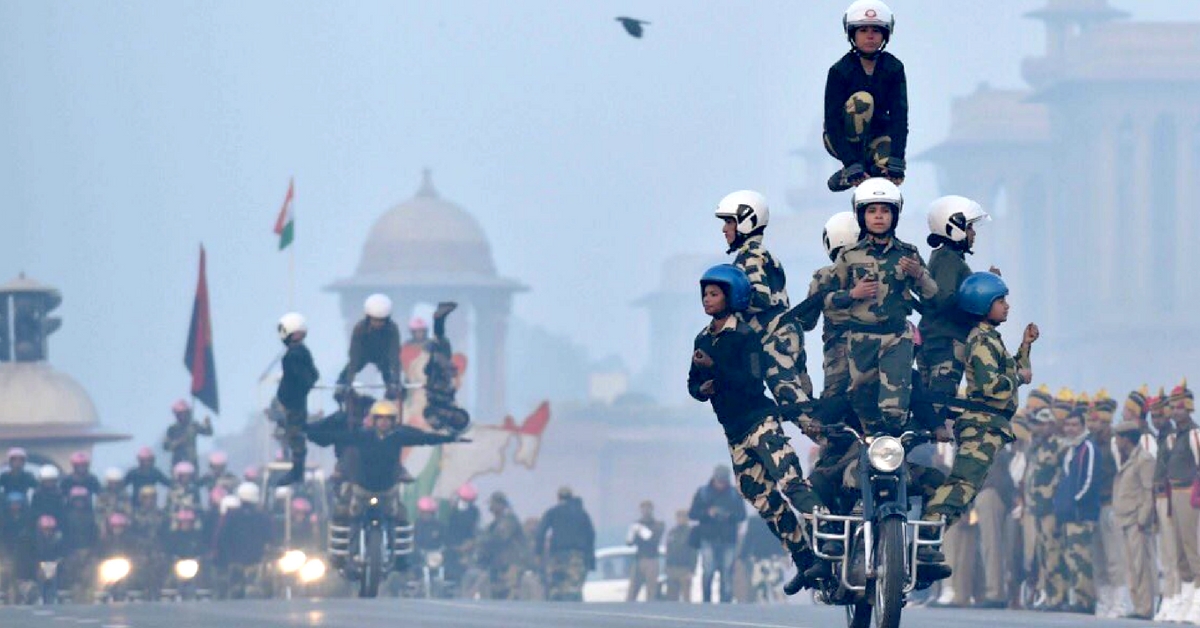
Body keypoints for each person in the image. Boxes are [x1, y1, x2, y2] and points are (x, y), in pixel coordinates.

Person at [687, 264, 819, 598]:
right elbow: (692, 383)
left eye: (714, 294)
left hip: (760, 422)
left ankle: (828, 532)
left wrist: (714, 369)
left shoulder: (746, 336)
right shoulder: (703, 338)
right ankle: (806, 560)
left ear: (731, 297)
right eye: (705, 293)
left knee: (790, 481)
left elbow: (751, 381)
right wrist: (702, 388)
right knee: (762, 499)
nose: (707, 299)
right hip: (734, 432)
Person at [920, 272, 1037, 576]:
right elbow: (992, 386)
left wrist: (1025, 347)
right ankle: (927, 535)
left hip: (990, 427)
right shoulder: (982, 340)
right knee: (961, 485)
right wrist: (1017, 378)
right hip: (982, 426)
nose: (1007, 306)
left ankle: (928, 538)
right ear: (984, 305)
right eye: (1000, 301)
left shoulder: (990, 339)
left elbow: (1014, 371)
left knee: (967, 488)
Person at [827, 178, 936, 435]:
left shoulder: (908, 253)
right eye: (872, 211)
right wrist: (852, 294)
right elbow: (828, 300)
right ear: (861, 215)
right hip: (861, 338)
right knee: (861, 401)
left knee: (894, 409)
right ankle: (875, 447)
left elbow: (932, 294)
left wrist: (919, 274)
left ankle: (896, 447)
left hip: (896, 337)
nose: (879, 217)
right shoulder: (848, 256)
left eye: (885, 211)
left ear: (894, 215)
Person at [714, 191, 815, 420]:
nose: (724, 229)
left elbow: (761, 298)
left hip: (774, 337)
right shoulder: (761, 254)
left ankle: (833, 441)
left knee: (792, 401)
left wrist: (727, 304)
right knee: (807, 399)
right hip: (785, 331)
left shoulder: (749, 256)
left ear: (746, 220)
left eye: (729, 222)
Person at [918, 195, 991, 419]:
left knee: (932, 403)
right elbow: (945, 301)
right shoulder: (950, 260)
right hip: (946, 342)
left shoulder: (944, 258)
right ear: (954, 227)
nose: (973, 233)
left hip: (937, 339)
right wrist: (983, 299)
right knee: (939, 405)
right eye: (969, 227)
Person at [823, 0, 907, 191]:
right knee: (863, 100)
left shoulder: (894, 68)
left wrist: (897, 160)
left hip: (877, 135)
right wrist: (851, 161)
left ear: (885, 35)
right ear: (852, 34)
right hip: (840, 139)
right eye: (863, 31)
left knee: (887, 172)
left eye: (876, 31)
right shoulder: (839, 71)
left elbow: (899, 118)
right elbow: (832, 122)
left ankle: (853, 177)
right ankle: (853, 167)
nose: (870, 36)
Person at [797, 211, 860, 398]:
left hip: (838, 353)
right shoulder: (875, 271)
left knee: (833, 404)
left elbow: (806, 321)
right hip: (875, 349)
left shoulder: (823, 276)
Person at [1051, 409, 1100, 613]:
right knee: (1072, 558)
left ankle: (1085, 601)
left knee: (1082, 558)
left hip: (1082, 514)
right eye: (1067, 425)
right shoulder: (1070, 449)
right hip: (1069, 515)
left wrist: (1075, 502)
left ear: (1083, 426)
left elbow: (1089, 481)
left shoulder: (1087, 448)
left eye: (1074, 425)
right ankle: (1077, 597)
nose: (1070, 429)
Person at [1163, 381, 1200, 622]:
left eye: (1179, 408)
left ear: (1188, 409)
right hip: (1174, 493)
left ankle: (1197, 601)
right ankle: (1186, 597)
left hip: (1189, 493)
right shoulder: (1174, 436)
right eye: (1173, 408)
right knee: (1178, 552)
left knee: (1192, 547)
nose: (1174, 412)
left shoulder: (1195, 434)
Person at [1111, 422, 1156, 620]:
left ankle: (1145, 607)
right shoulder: (1126, 459)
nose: (1117, 441)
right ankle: (1137, 605)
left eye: (1119, 437)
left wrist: (1143, 519)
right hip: (1124, 519)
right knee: (1130, 565)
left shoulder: (1143, 460)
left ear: (1127, 438)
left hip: (1136, 520)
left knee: (1141, 566)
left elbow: (1148, 491)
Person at [273, 312, 320, 487]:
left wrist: (296, 391)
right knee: (292, 435)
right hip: (293, 402)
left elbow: (307, 378)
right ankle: (297, 471)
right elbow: (312, 375)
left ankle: (297, 472)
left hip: (293, 403)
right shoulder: (300, 352)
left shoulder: (293, 356)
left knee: (295, 437)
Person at [534, 486, 596, 602]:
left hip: (556, 556)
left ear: (558, 497)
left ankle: (556, 612)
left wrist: (538, 553)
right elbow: (591, 535)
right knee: (573, 589)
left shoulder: (552, 512)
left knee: (556, 587)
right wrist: (590, 559)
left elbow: (540, 533)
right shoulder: (581, 513)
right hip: (576, 556)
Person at [337, 293, 402, 401]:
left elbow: (394, 355)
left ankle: (391, 392)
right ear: (368, 318)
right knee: (347, 370)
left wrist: (396, 380)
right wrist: (349, 381)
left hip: (382, 355)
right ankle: (340, 388)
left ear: (387, 320)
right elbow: (354, 356)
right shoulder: (360, 328)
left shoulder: (392, 329)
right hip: (363, 354)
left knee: (387, 371)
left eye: (382, 321)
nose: (378, 324)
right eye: (375, 320)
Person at [213, 483, 272, 599]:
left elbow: (221, 537)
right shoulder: (261, 517)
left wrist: (224, 555)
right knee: (253, 589)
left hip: (235, 560)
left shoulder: (231, 516)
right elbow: (269, 536)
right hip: (255, 560)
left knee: (234, 589)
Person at [423, 302, 471, 433]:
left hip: (436, 384)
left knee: (441, 346)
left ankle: (439, 319)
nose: (455, 416)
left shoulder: (437, 418)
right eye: (458, 417)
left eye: (456, 419)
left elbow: (427, 413)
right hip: (442, 381)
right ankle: (439, 320)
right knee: (443, 343)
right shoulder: (449, 404)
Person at [477, 491, 528, 600]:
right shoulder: (493, 524)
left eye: (493, 504)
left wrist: (481, 541)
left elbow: (500, 537)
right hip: (497, 566)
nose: (490, 507)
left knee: (511, 595)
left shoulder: (509, 520)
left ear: (501, 505)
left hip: (511, 565)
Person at [625, 500, 664, 602]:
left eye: (648, 508)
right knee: (632, 589)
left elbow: (653, 539)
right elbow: (629, 543)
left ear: (652, 510)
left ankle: (650, 610)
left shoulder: (658, 524)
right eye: (643, 508)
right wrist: (632, 533)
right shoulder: (636, 524)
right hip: (639, 559)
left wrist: (640, 529)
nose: (645, 511)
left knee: (651, 590)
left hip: (651, 559)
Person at [444, 483, 480, 586]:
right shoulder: (453, 511)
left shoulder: (474, 511)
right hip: (452, 545)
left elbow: (472, 529)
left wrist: (468, 544)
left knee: (464, 567)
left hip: (466, 546)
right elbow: (449, 528)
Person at [162, 400, 213, 468]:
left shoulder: (193, 425)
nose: (183, 416)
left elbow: (208, 433)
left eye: (185, 413)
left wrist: (208, 424)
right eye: (180, 414)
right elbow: (166, 446)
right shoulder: (172, 429)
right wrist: (178, 442)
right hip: (178, 463)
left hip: (192, 462)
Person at [663, 509, 697, 602]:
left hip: (685, 569)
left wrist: (692, 570)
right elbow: (668, 550)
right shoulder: (672, 532)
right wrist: (666, 566)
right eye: (679, 516)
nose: (681, 519)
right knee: (671, 597)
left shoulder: (691, 533)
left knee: (686, 597)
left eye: (683, 516)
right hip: (672, 568)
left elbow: (694, 552)